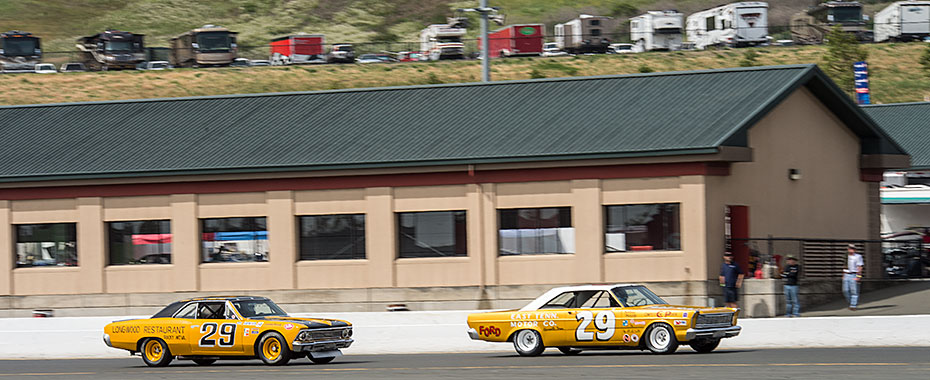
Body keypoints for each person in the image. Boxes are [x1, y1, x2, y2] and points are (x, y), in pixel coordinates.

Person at [843, 244, 864, 310]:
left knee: (854, 291)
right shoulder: (846, 256)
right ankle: (850, 302)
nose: (851, 250)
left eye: (852, 248)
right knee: (845, 290)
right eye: (850, 248)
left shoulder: (858, 256)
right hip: (847, 274)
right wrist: (843, 275)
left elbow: (859, 267)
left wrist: (858, 276)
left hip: (854, 274)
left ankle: (853, 305)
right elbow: (844, 266)